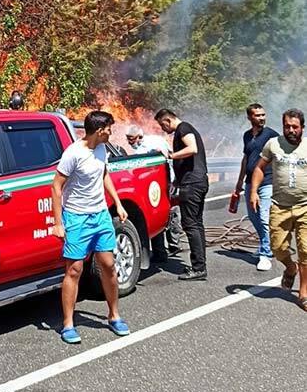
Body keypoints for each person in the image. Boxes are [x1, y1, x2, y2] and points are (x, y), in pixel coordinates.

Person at [52, 110, 131, 343]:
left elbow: (103, 173)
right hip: (77, 218)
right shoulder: (73, 153)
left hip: (100, 216)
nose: (111, 132)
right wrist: (58, 223)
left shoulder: (101, 149)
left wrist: (117, 203)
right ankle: (68, 324)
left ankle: (114, 315)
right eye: (109, 128)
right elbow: (56, 187)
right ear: (99, 130)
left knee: (108, 265)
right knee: (74, 269)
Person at [249, 108, 307, 310]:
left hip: (305, 207)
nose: (291, 130)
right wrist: (253, 191)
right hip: (279, 206)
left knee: (306, 251)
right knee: (278, 248)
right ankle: (290, 269)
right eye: (287, 126)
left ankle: (303, 293)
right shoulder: (273, 144)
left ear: (302, 127)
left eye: (295, 127)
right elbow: (258, 167)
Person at [155, 108, 209, 281]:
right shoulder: (184, 129)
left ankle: (198, 268)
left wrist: (171, 155)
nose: (163, 129)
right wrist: (177, 181)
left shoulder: (183, 128)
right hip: (195, 182)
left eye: (162, 125)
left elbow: (192, 148)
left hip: (192, 184)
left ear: (167, 120)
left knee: (190, 225)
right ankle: (200, 265)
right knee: (196, 224)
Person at [229, 103, 278, 272]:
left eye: (263, 115)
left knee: (264, 216)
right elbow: (245, 159)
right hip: (250, 182)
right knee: (253, 216)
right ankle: (267, 244)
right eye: (258, 115)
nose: (262, 118)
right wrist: (239, 182)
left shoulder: (272, 135)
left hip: (267, 182)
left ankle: (266, 254)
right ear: (249, 117)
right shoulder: (247, 136)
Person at [125, 124, 182, 259]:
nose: (129, 142)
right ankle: (160, 252)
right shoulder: (144, 146)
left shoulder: (152, 144)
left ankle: (174, 245)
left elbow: (167, 157)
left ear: (139, 136)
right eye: (128, 139)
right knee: (156, 213)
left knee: (171, 212)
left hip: (165, 183)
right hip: (154, 186)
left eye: (131, 139)